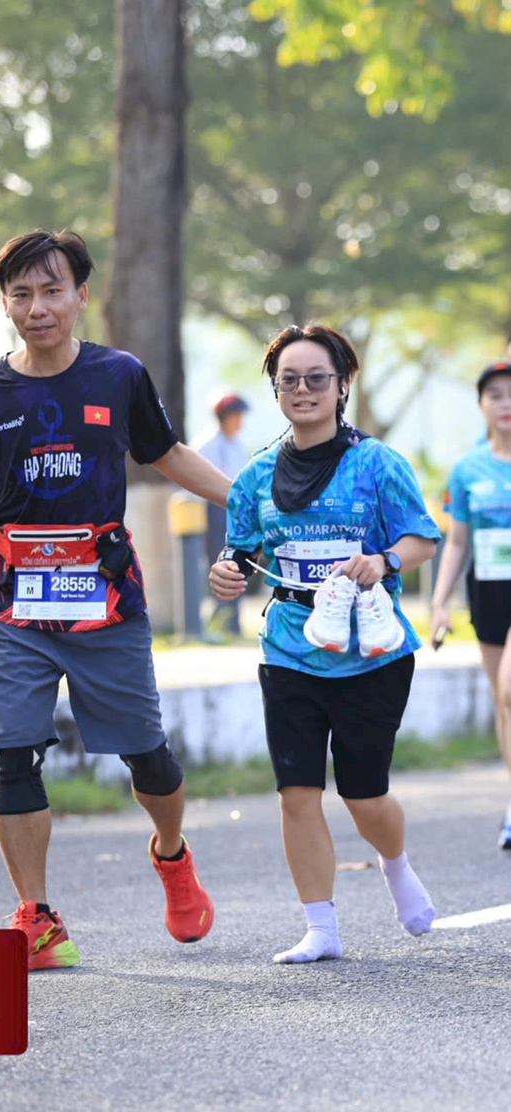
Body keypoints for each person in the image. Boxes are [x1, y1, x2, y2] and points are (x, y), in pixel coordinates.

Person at [0, 229, 231, 972]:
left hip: (106, 601)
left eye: (52, 291)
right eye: (21, 294)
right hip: (13, 604)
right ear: (5, 304)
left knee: (147, 758)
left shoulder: (118, 375)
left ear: (81, 295)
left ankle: (173, 855)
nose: (37, 307)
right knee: (14, 757)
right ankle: (38, 916)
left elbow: (167, 454)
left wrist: (249, 500)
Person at [210, 323, 440, 964]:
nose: (303, 390)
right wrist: (226, 575)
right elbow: (240, 553)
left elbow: (423, 538)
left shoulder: (376, 463)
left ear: (342, 385)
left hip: (372, 650)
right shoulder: (254, 476)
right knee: (297, 791)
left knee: (364, 794)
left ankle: (394, 864)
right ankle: (321, 928)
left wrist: (384, 558)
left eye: (317, 378)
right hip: (288, 648)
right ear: (276, 390)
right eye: (290, 380)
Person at [431, 361, 511, 850]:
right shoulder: (467, 469)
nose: (507, 404)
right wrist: (439, 604)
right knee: (504, 704)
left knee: (510, 689)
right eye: (496, 395)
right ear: (482, 406)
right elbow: (457, 542)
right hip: (489, 592)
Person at [193, 390, 250, 635]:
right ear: (224, 416)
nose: (240, 421)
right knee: (219, 562)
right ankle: (222, 619)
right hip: (213, 511)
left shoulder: (238, 445)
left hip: (236, 513)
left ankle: (232, 622)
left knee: (238, 561)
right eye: (236, 415)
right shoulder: (207, 445)